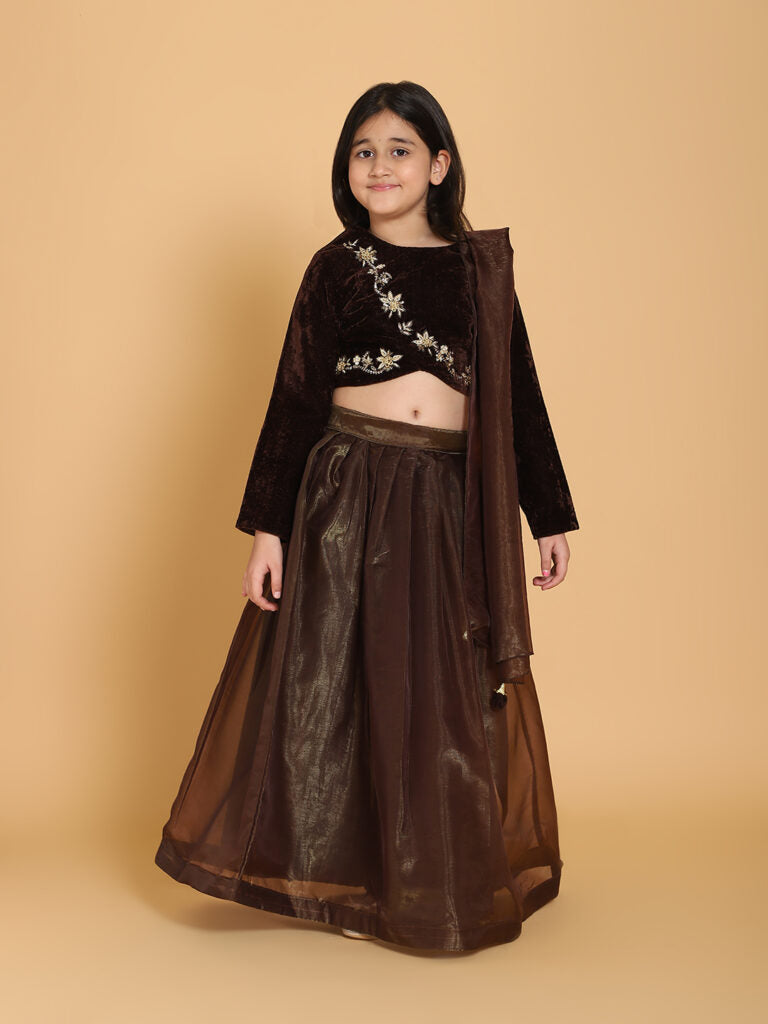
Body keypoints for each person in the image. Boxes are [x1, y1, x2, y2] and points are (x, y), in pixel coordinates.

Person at [154, 80, 580, 954]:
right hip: (347, 494)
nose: (379, 165)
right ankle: (346, 880)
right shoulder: (336, 267)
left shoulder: (479, 271)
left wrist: (550, 514)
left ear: (439, 165)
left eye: (399, 150)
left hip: (446, 501)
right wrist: (269, 529)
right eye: (363, 151)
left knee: (439, 686)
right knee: (344, 682)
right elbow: (294, 399)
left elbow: (518, 396)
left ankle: (429, 875)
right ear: (345, 168)